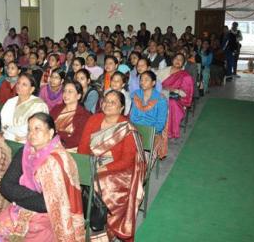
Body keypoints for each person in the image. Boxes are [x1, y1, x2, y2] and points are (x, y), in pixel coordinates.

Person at [0, 113, 85, 241]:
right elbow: (5, 186)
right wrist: (28, 199)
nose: (31, 133)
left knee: (35, 229)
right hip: (23, 207)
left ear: (50, 133)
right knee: (1, 222)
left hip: (51, 216)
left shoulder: (56, 160)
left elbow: (48, 204)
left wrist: (17, 198)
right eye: (29, 129)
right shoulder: (25, 152)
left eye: (37, 129)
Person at [78, 91, 146, 241]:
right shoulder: (94, 119)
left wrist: (103, 168)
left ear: (122, 108)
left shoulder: (126, 128)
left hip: (119, 171)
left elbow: (127, 161)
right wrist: (85, 164)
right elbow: (82, 147)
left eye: (113, 102)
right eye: (106, 101)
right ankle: (86, 218)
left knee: (100, 183)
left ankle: (101, 226)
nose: (108, 104)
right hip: (92, 163)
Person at [130, 71, 169, 159]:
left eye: (146, 80)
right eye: (141, 80)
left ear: (153, 83)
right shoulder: (136, 96)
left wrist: (148, 131)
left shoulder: (160, 100)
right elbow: (132, 117)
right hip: (136, 129)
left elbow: (160, 123)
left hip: (152, 132)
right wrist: (137, 129)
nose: (142, 82)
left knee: (141, 158)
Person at [1, 73, 48, 142]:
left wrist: (9, 130)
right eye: (18, 83)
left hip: (27, 141)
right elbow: (2, 122)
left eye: (24, 84)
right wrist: (10, 132)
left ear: (32, 89)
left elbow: (32, 128)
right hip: (6, 137)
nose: (19, 86)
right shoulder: (10, 102)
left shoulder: (39, 105)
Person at [158, 53, 194, 139]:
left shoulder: (185, 76)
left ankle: (169, 132)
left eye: (180, 60)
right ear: (172, 60)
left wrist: (175, 90)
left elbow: (186, 93)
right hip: (161, 94)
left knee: (171, 103)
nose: (178, 61)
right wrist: (164, 89)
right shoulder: (163, 71)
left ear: (183, 63)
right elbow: (155, 84)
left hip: (177, 99)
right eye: (176, 58)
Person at [50, 80, 90, 149]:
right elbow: (46, 125)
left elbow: (77, 139)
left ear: (78, 96)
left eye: (70, 91)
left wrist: (57, 143)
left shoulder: (84, 115)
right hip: (49, 144)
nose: (66, 94)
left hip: (69, 149)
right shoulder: (56, 109)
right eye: (64, 91)